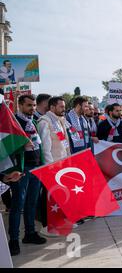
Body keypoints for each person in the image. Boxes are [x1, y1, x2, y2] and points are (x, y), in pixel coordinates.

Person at [8, 95, 47, 256]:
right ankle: (14, 240)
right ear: (20, 105)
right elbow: (6, 145)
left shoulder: (34, 122)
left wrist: (43, 164)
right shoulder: (13, 123)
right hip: (22, 170)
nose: (32, 108)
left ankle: (30, 234)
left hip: (37, 167)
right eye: (29, 105)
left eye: (33, 105)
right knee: (18, 205)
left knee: (32, 203)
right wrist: (20, 144)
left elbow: (39, 144)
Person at [37, 96, 72, 237]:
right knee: (50, 197)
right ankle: (48, 226)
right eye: (61, 107)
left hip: (63, 164)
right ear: (52, 107)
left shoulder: (60, 121)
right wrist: (49, 167)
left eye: (64, 106)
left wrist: (69, 161)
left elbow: (65, 143)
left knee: (62, 195)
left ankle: (62, 220)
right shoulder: (45, 122)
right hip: (53, 166)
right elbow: (46, 147)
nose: (64, 109)